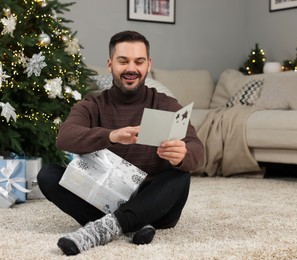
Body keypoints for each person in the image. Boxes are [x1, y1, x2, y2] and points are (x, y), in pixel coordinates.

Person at [37, 30, 204, 256]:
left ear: (148, 64)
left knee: (179, 176)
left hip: (154, 201)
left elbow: (197, 150)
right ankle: (131, 224)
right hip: (103, 196)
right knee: (48, 175)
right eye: (123, 61)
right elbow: (65, 136)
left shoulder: (166, 104)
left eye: (139, 61)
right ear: (110, 64)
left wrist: (183, 153)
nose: (131, 69)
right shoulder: (93, 103)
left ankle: (107, 227)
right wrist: (111, 136)